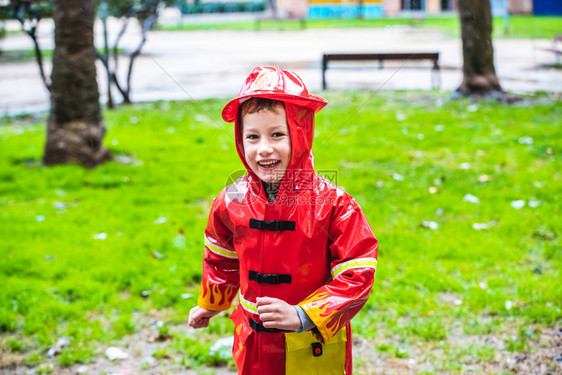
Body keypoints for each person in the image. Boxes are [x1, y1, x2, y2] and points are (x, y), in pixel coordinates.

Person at [188, 66, 378, 375]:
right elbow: (221, 258)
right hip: (253, 336)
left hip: (310, 341)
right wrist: (212, 303)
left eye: (277, 134)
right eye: (252, 136)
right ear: (240, 140)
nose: (264, 148)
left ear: (301, 135)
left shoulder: (334, 205)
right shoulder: (230, 201)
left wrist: (305, 314)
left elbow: (357, 272)